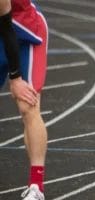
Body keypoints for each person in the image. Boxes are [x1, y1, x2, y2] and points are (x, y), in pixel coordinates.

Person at [0, 0, 48, 199]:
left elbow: (7, 28)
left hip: (25, 32)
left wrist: (16, 78)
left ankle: (36, 186)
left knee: (27, 105)